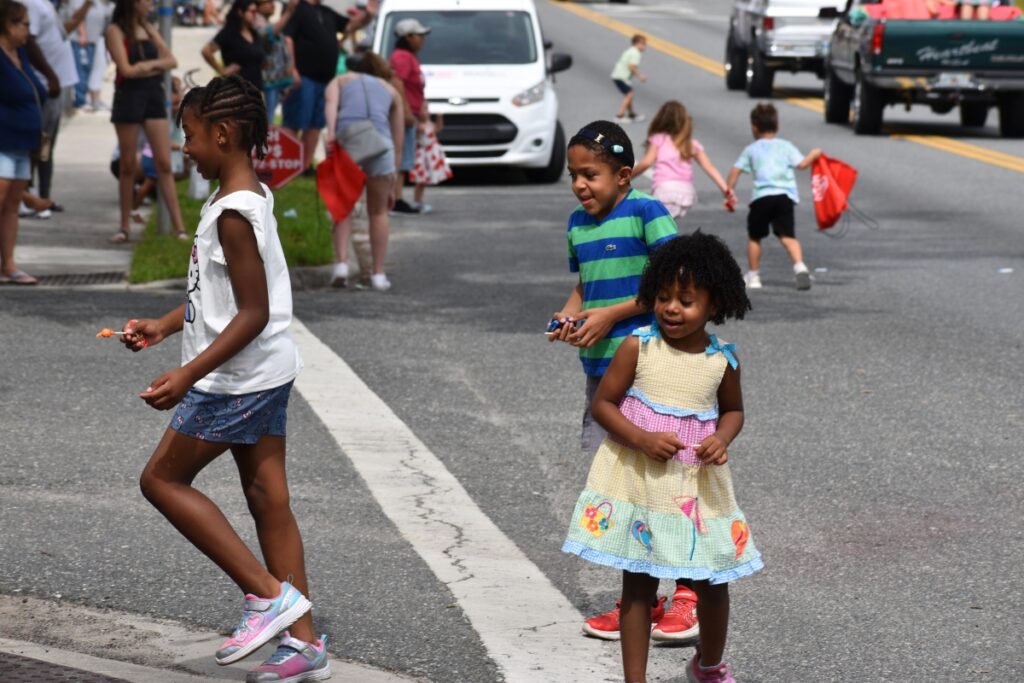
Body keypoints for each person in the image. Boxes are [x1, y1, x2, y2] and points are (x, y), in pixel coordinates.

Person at [118, 75, 328, 683]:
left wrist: (187, 374)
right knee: (268, 499)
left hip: (235, 379)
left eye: (189, 135)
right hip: (262, 371)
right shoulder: (239, 195)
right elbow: (220, 298)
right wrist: (163, 326)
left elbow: (253, 312)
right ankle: (305, 645)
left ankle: (266, 596)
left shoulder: (235, 211)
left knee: (160, 479)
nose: (184, 147)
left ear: (223, 133)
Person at [563, 231, 759, 683]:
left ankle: (708, 666)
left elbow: (733, 411)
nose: (672, 308)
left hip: (696, 487)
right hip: (642, 482)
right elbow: (604, 405)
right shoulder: (638, 346)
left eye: (686, 300)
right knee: (637, 583)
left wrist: (722, 439)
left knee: (712, 580)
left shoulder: (722, 360)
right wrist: (642, 437)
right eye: (665, 297)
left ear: (714, 305)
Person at [106, 0, 187, 242]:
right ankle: (124, 226)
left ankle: (179, 227)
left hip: (153, 96)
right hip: (128, 97)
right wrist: (152, 67)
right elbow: (125, 69)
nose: (150, 4)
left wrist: (145, 65)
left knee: (164, 162)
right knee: (128, 164)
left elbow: (171, 61)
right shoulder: (115, 31)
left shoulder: (149, 28)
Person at [324, 50, 403, 292]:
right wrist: (394, 182)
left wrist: (331, 134)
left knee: (343, 207)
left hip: (351, 141)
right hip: (381, 145)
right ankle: (378, 274)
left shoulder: (340, 81)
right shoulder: (390, 89)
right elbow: (397, 138)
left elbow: (331, 105)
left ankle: (341, 266)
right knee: (378, 212)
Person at [726, 103, 820, 291]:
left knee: (755, 237)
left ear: (754, 127)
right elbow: (801, 164)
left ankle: (753, 276)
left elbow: (736, 171)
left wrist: (729, 192)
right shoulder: (786, 146)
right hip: (784, 197)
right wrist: (814, 154)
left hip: (761, 198)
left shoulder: (751, 149)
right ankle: (800, 266)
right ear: (776, 126)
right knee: (787, 236)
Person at [0, 0, 45, 284]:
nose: (29, 30)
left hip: (22, 144)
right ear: (8, 24)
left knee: (12, 206)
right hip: (3, 141)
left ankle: (8, 263)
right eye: (24, 24)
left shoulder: (21, 54)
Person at [632, 101, 737, 221]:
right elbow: (709, 167)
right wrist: (726, 190)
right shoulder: (690, 144)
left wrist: (628, 177)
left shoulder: (659, 139)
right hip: (686, 192)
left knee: (652, 227)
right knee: (665, 226)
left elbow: (646, 162)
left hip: (665, 191)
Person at [23, 0, 82, 208]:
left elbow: (61, 33)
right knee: (35, 144)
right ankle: (27, 196)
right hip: (43, 84)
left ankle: (43, 195)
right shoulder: (30, 4)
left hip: (55, 84)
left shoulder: (45, 3)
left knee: (47, 145)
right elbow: (28, 41)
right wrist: (49, 75)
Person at [281, 0, 348, 173]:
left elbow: (349, 26)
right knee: (294, 121)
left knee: (315, 124)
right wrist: (292, 68)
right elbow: (287, 38)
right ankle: (286, 163)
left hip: (324, 79)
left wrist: (368, 14)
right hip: (303, 77)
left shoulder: (326, 12)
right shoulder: (297, 9)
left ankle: (304, 166)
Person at [388, 16, 429, 214]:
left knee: (404, 156)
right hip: (404, 114)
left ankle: (397, 197)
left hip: (411, 111)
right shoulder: (402, 57)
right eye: (419, 35)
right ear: (408, 37)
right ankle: (396, 199)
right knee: (401, 156)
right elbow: (397, 82)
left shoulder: (408, 57)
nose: (422, 39)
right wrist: (405, 111)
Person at [202, 0, 264, 90]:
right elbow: (206, 51)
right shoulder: (229, 33)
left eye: (256, 12)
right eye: (252, 12)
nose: (255, 15)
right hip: (236, 90)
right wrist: (221, 70)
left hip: (256, 90)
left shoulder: (254, 34)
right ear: (240, 12)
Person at [254, 0, 298, 122]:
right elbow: (268, 32)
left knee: (270, 119)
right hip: (268, 80)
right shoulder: (256, 21)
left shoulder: (265, 21)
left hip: (276, 80)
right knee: (266, 121)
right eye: (268, 2)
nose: (272, 5)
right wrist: (288, 12)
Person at [611, 34, 646, 124]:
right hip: (621, 77)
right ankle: (619, 116)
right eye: (643, 44)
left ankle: (631, 114)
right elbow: (632, 67)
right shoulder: (636, 53)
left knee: (629, 95)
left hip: (618, 76)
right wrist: (640, 76)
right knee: (629, 95)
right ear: (636, 43)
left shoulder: (631, 51)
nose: (644, 46)